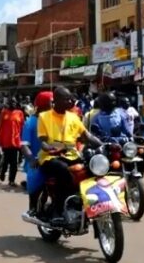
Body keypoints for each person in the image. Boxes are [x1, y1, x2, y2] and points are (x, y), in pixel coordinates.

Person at [37, 86, 102, 225]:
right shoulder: (44, 117)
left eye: (71, 98)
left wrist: (102, 145)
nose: (70, 101)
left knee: (91, 168)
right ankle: (57, 211)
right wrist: (50, 148)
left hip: (72, 156)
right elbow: (42, 142)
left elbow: (87, 135)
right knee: (62, 170)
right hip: (50, 158)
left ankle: (84, 202)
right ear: (57, 100)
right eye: (66, 99)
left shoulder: (73, 117)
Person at [21, 91, 53, 214]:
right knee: (35, 184)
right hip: (36, 161)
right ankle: (32, 207)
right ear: (44, 105)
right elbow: (24, 145)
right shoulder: (30, 122)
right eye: (51, 102)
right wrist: (32, 159)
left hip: (53, 159)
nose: (54, 105)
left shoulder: (53, 120)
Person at [0, 97, 25, 186]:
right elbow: (0, 126)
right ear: (8, 103)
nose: (13, 104)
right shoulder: (4, 112)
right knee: (6, 160)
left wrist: (23, 139)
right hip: (6, 140)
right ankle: (3, 171)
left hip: (16, 140)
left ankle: (11, 180)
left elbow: (22, 127)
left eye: (14, 102)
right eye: (11, 102)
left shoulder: (20, 113)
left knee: (14, 162)